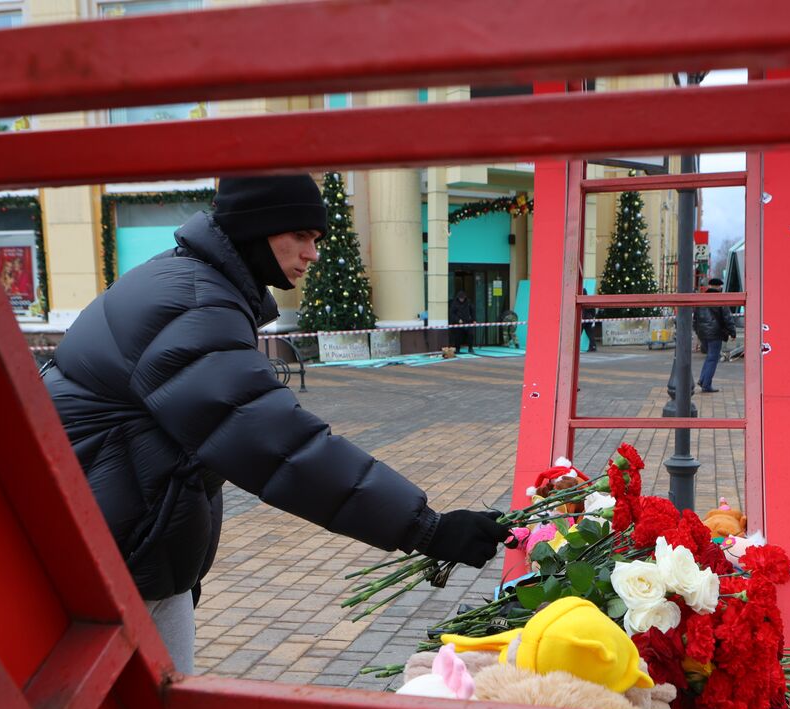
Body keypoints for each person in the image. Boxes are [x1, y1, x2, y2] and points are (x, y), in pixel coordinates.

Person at [43, 175, 509, 672]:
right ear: (256, 228)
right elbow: (276, 443)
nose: (313, 254)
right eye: (302, 236)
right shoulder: (193, 304)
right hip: (106, 554)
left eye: (318, 239)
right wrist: (427, 528)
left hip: (119, 541)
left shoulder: (193, 284)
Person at [694, 277, 738, 393]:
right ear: (719, 287)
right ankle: (706, 384)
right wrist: (732, 332)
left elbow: (695, 318)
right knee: (713, 358)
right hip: (715, 333)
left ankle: (703, 379)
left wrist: (698, 332)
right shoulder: (720, 299)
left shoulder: (701, 299)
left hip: (703, 333)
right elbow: (727, 317)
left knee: (710, 357)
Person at [448, 289, 476, 354]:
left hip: (468, 322)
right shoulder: (454, 303)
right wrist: (457, 320)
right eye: (460, 298)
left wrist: (474, 320)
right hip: (458, 323)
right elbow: (452, 313)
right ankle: (457, 349)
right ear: (458, 298)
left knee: (470, 335)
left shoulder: (468, 302)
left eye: (463, 298)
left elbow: (472, 311)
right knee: (458, 336)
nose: (462, 300)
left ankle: (470, 348)